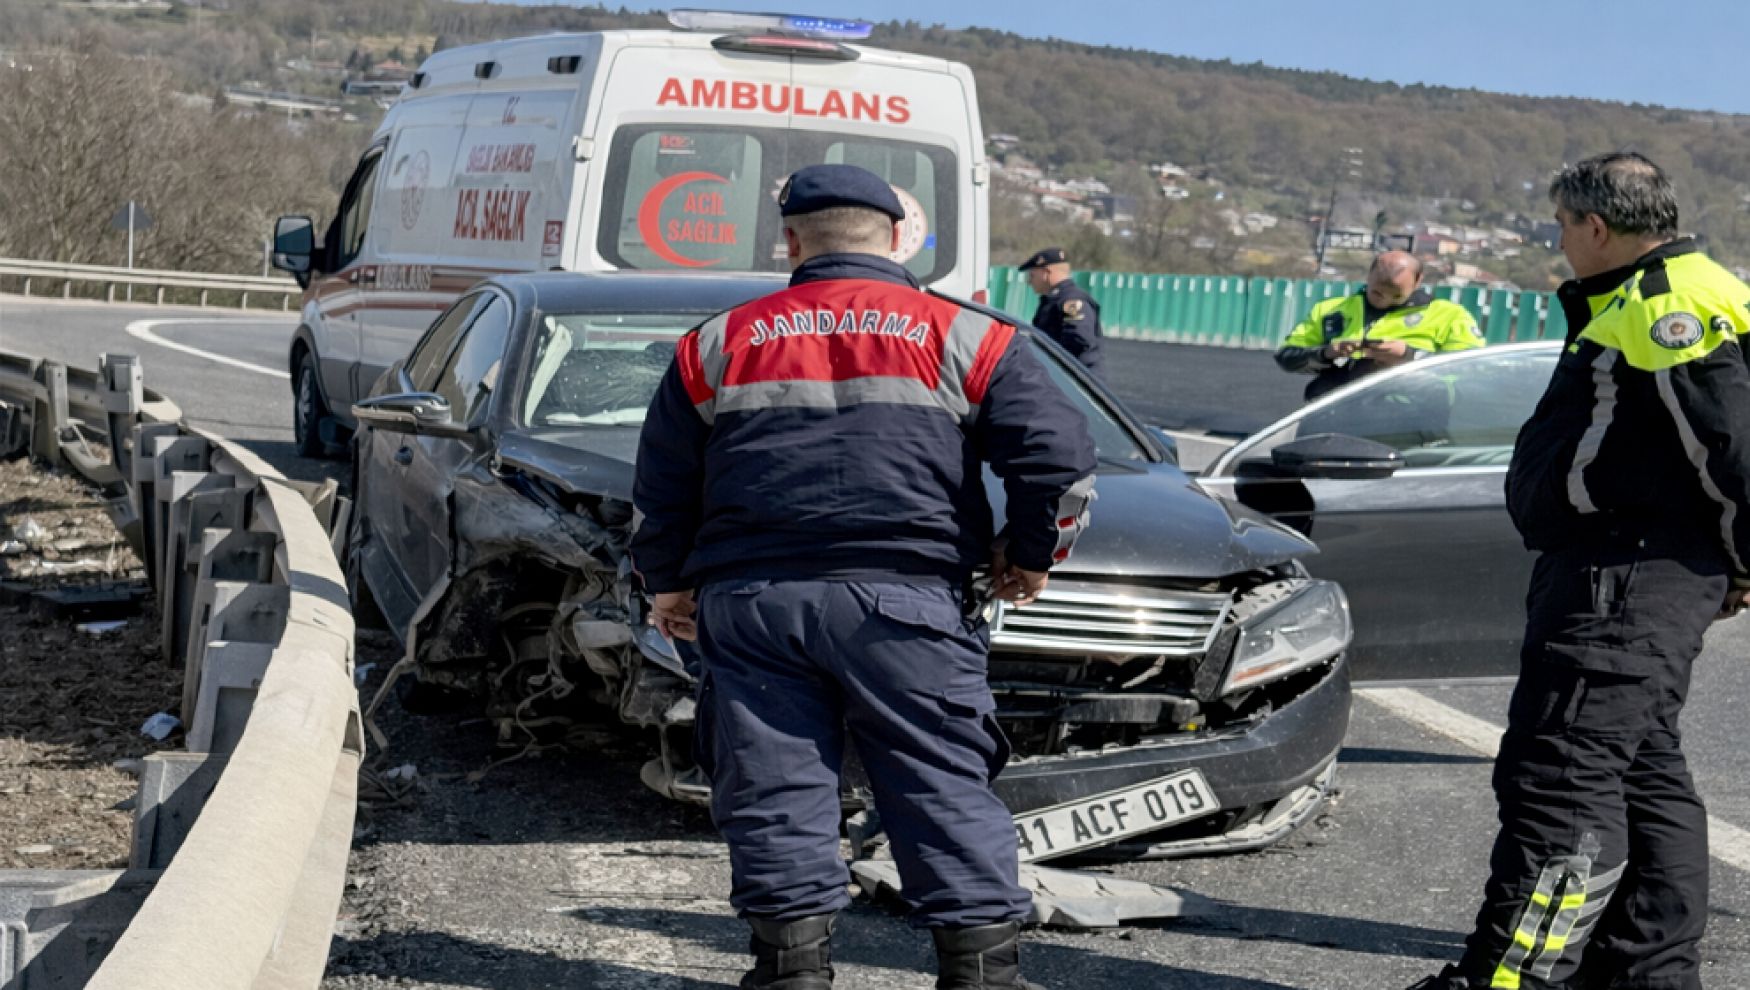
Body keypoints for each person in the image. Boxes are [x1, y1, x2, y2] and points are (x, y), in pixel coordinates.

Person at [630, 163, 1097, 990]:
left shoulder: (717, 341)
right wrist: (1030, 556)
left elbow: (664, 481)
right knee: (940, 780)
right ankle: (982, 977)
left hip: (754, 604)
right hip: (907, 605)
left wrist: (666, 581)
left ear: (791, 242)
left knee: (774, 783)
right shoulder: (969, 336)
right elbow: (1057, 462)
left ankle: (791, 975)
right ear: (894, 239)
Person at [1409, 152, 1750, 990]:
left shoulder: (1670, 302)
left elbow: (1732, 451)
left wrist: (1743, 561)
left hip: (1627, 576)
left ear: (1597, 226)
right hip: (1630, 568)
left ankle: (1514, 978)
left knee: (1561, 777)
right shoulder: (1662, 290)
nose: (1559, 241)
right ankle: (1647, 975)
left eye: (1562, 225)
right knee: (1640, 772)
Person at [1275, 250, 1482, 401]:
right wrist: (1328, 353)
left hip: (1413, 422)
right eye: (1377, 292)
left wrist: (1409, 356)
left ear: (1418, 281)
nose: (1385, 299)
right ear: (1369, 275)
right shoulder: (1330, 311)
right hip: (1333, 414)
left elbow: (1474, 368)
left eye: (1396, 294)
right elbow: (1287, 357)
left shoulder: (1450, 316)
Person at [1018, 247, 1103, 375]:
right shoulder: (1055, 299)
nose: (1030, 282)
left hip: (1076, 381)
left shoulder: (1071, 300)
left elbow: (1078, 340)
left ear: (1046, 272)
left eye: (1032, 275)